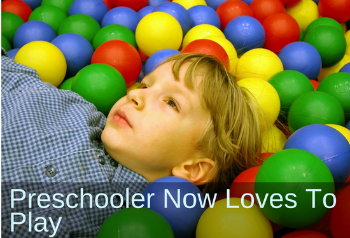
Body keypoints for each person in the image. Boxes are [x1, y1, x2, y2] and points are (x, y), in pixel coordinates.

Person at [1, 48, 262, 237]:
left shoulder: (128, 219)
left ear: (192, 168)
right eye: (146, 85)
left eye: (171, 102)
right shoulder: (76, 107)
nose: (135, 94)